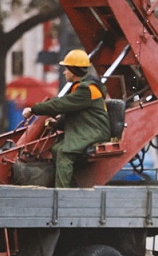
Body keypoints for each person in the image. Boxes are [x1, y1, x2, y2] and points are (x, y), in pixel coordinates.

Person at [22, 49, 110, 188]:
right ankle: (69, 185)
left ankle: (62, 195)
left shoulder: (86, 90)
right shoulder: (81, 88)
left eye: (66, 69)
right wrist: (58, 123)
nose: (64, 72)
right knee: (57, 148)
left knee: (64, 152)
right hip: (87, 129)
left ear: (73, 70)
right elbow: (76, 114)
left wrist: (34, 109)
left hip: (94, 131)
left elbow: (60, 104)